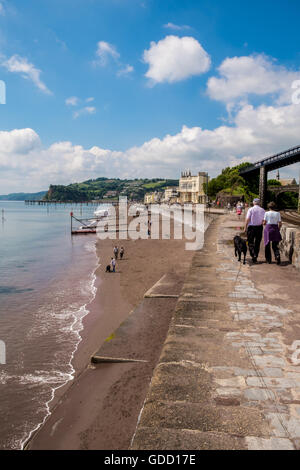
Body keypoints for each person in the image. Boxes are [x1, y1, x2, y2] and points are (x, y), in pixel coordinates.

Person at [244, 198, 265, 263]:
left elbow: (247, 219)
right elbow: (264, 220)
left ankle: (253, 254)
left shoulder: (251, 209)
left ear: (253, 203)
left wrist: (245, 227)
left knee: (250, 242)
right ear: (259, 203)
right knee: (257, 243)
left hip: (251, 228)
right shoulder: (263, 210)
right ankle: (255, 256)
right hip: (259, 228)